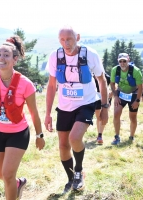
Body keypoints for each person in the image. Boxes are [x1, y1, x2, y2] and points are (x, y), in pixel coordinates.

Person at [44, 25, 109, 193]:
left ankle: (79, 170)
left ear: (78, 37)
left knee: (74, 138)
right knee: (63, 145)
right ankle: (71, 178)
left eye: (69, 39)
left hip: (86, 103)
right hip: (64, 107)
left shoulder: (90, 55)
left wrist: (105, 107)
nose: (66, 43)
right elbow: (52, 86)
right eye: (62, 40)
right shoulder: (55, 57)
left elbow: (102, 81)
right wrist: (48, 113)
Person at [0, 36, 45, 200]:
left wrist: (40, 136)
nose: (1, 58)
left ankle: (12, 188)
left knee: (7, 174)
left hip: (18, 133)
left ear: (15, 59)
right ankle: (18, 184)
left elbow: (34, 113)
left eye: (6, 55)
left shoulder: (26, 84)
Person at [110, 53, 143, 144]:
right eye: (120, 61)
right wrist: (115, 96)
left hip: (133, 94)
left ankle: (131, 137)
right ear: (118, 61)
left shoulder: (136, 71)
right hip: (121, 93)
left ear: (128, 60)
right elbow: (112, 83)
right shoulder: (115, 70)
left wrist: (137, 100)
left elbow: (140, 87)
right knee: (116, 114)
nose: (122, 63)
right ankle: (117, 137)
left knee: (132, 117)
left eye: (124, 61)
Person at [94, 73, 112, 144]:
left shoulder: (107, 77)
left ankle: (100, 135)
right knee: (98, 117)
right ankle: (99, 134)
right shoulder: (91, 76)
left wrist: (112, 93)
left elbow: (114, 85)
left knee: (103, 116)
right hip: (95, 98)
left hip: (105, 98)